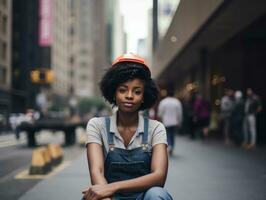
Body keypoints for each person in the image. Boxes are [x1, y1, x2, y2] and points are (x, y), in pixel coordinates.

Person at [82, 53, 172, 200]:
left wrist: (113, 186)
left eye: (137, 91)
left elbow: (159, 176)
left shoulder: (156, 128)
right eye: (123, 90)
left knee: (157, 195)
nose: (129, 96)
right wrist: (106, 194)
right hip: (109, 197)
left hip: (143, 197)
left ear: (144, 96)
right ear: (114, 93)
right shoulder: (96, 126)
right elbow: (97, 172)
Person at [157, 86, 182, 155]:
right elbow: (179, 113)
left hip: (166, 122)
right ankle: (172, 146)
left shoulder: (163, 102)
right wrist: (179, 122)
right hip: (174, 122)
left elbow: (160, 112)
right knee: (173, 134)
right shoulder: (177, 102)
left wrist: (160, 119)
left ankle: (169, 146)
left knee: (167, 134)